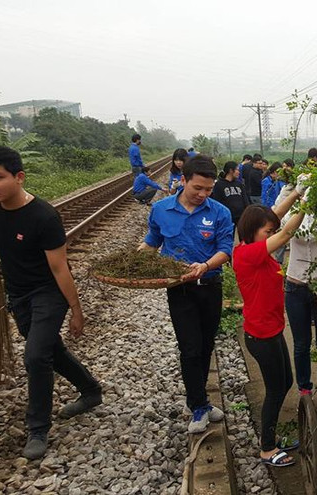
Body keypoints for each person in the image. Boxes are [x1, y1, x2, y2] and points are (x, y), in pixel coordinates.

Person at [0, 146, 102, 460]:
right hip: (18, 293)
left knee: (35, 356)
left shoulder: (44, 216)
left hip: (48, 292)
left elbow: (60, 269)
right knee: (49, 350)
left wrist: (76, 311)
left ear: (19, 177)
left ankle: (38, 428)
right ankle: (91, 390)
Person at [138, 155, 234, 433]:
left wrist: (205, 265)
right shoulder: (161, 210)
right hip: (179, 289)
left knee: (205, 345)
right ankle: (199, 405)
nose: (203, 194)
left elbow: (225, 250)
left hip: (210, 286)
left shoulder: (219, 212)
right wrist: (134, 260)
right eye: (198, 188)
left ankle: (198, 399)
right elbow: (152, 242)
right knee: (190, 347)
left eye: (208, 189)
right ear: (183, 180)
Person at [232, 185, 308, 467]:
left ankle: (272, 437)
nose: (272, 234)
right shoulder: (246, 254)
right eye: (267, 232)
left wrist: (297, 193)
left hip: (272, 330)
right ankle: (267, 448)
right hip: (261, 335)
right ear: (253, 231)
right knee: (276, 390)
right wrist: (308, 205)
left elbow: (275, 218)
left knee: (285, 383)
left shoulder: (254, 246)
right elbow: (286, 232)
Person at [279, 149, 317, 395]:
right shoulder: (292, 213)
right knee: (301, 343)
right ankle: (304, 388)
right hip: (295, 285)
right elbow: (280, 224)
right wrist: (298, 195)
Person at [211, 161, 250, 231]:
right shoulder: (219, 184)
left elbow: (245, 199)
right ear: (231, 170)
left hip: (241, 215)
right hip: (228, 216)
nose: (239, 172)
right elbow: (217, 201)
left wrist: (247, 211)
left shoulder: (239, 184)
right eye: (237, 170)